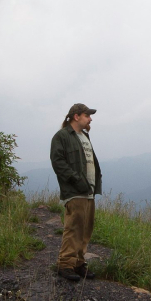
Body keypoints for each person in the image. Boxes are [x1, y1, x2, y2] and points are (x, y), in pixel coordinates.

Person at [50, 103, 103, 282]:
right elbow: (58, 162)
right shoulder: (62, 136)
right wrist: (76, 180)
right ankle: (65, 264)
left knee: (86, 229)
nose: (90, 119)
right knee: (73, 228)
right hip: (75, 191)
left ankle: (79, 263)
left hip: (88, 191)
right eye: (87, 115)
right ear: (76, 116)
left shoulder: (84, 136)